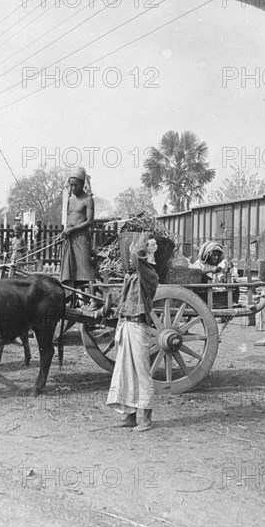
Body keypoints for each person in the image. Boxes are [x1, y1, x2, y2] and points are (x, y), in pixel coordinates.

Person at [106, 234, 160, 432]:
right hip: (127, 325)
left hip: (139, 327)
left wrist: (141, 238)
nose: (130, 261)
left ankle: (146, 418)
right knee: (125, 370)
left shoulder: (149, 275)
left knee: (142, 373)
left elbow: (136, 256)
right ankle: (130, 416)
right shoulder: (131, 276)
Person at [60, 167, 97, 309]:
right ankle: (72, 299)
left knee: (86, 270)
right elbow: (70, 219)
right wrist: (65, 232)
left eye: (76, 185)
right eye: (71, 185)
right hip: (69, 238)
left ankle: (93, 301)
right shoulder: (70, 199)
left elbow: (89, 221)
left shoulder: (88, 200)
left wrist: (73, 230)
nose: (73, 187)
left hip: (81, 238)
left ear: (83, 184)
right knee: (69, 269)